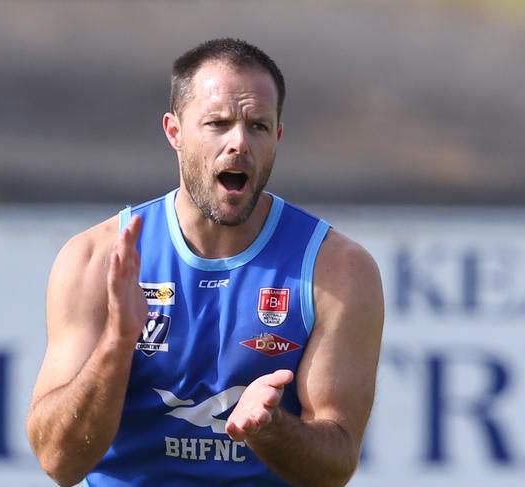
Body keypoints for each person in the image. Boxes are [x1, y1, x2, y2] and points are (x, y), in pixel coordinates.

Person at [26, 38, 384, 487]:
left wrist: (270, 430)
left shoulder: (337, 270)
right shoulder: (95, 258)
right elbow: (58, 461)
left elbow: (334, 468)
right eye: (218, 123)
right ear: (174, 132)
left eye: (257, 126)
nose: (239, 143)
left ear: (277, 136)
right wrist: (117, 344)